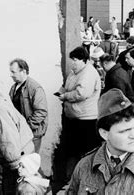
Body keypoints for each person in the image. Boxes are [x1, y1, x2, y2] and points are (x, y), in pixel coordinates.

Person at [56, 46, 102, 181]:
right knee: (73, 151)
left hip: (86, 119)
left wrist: (64, 96)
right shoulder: (75, 72)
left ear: (84, 60)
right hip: (74, 118)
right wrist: (61, 91)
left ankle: (87, 179)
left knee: (85, 152)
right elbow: (66, 85)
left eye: (75, 60)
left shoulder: (88, 73)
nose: (73, 63)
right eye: (72, 60)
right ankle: (73, 179)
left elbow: (81, 93)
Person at [9, 58, 48, 153]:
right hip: (20, 132)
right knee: (24, 163)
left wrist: (27, 127)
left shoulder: (35, 88)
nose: (11, 75)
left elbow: (41, 112)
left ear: (23, 71)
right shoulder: (14, 87)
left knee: (31, 163)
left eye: (13, 72)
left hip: (32, 134)